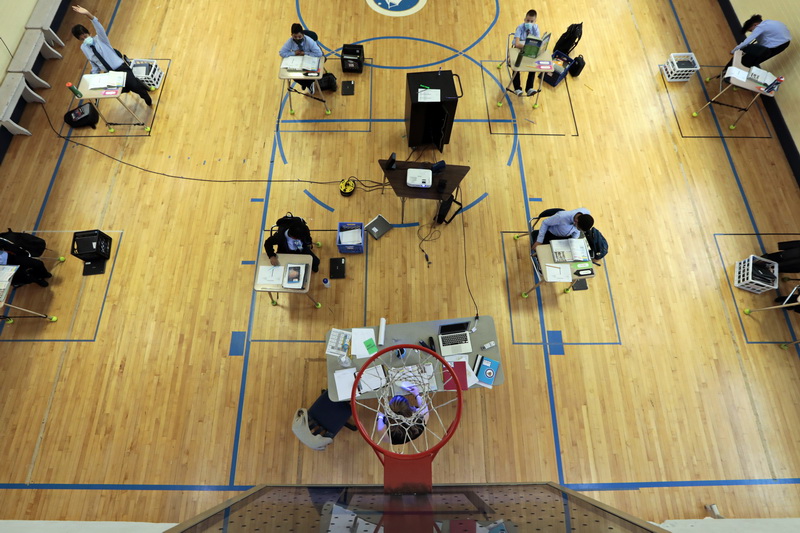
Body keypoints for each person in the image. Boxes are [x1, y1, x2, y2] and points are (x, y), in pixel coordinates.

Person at [71, 5, 152, 106]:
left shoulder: (100, 39)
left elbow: (98, 26)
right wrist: (93, 78)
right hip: (110, 74)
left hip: (121, 68)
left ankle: (145, 95)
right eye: (82, 39)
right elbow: (94, 64)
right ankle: (133, 85)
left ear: (88, 33)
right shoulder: (84, 48)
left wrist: (88, 14)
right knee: (118, 91)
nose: (85, 39)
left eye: (85, 36)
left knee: (135, 87)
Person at [279, 23, 323, 94]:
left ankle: (309, 84)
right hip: (297, 61)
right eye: (295, 37)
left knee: (308, 74)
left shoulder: (309, 41)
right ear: (291, 35)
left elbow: (319, 53)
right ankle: (305, 83)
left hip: (309, 59)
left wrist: (305, 53)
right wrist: (294, 53)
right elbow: (282, 52)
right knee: (294, 76)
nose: (297, 39)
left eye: (299, 37)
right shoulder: (290, 41)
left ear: (303, 35)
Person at [512, 10, 540, 97]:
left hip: (529, 51)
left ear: (535, 22)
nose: (529, 23)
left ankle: (529, 88)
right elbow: (517, 44)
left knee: (533, 67)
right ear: (525, 19)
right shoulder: (520, 28)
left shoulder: (535, 28)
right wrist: (527, 47)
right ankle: (517, 88)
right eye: (527, 20)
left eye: (531, 21)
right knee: (515, 66)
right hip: (518, 50)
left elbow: (538, 42)